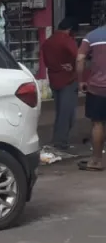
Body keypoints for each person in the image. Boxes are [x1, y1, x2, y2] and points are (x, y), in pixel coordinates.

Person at [42, 18, 80, 151]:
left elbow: (46, 62)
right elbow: (78, 56)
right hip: (68, 80)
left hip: (54, 79)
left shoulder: (48, 42)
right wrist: (74, 68)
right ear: (70, 30)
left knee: (60, 112)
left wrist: (58, 67)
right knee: (67, 114)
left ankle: (58, 140)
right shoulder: (67, 41)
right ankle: (61, 143)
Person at [77, 22, 106, 171]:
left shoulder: (91, 36)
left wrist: (80, 80)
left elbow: (80, 58)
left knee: (97, 124)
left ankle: (96, 160)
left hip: (97, 88)